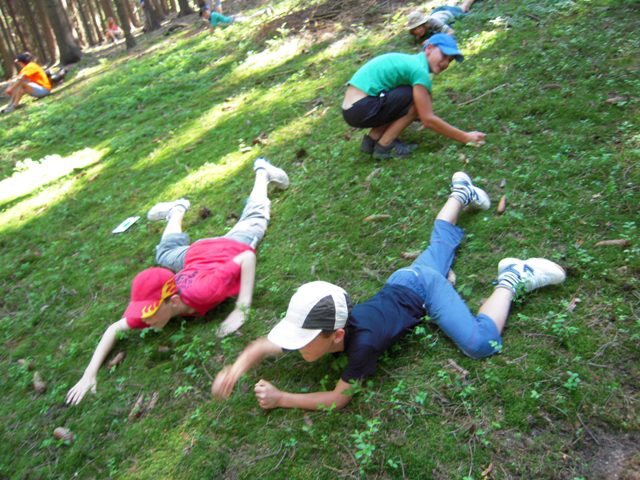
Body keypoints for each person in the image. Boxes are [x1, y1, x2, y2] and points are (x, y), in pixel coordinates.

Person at [212, 172, 566, 411]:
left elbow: (338, 398)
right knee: (439, 246)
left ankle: (513, 277)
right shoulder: (322, 328)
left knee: (479, 343)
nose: (296, 346)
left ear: (337, 336)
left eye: (303, 339)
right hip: (403, 280)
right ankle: (461, 193)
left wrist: (282, 398)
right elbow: (261, 345)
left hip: (422, 291)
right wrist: (234, 369)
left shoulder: (362, 346)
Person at [65, 158, 289, 405]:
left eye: (149, 312)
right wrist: (88, 374)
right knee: (164, 254)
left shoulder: (204, 292)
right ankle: (176, 210)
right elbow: (114, 328)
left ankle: (262, 172)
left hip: (230, 247)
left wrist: (241, 308)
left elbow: (247, 258)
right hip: (195, 255)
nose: (146, 321)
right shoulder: (157, 308)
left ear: (172, 301)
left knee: (255, 217)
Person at [341, 34, 486, 160]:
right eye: (443, 56)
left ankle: (372, 140)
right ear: (429, 48)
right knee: (414, 100)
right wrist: (465, 137)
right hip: (361, 108)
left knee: (410, 95)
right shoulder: (419, 71)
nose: (445, 63)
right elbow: (428, 119)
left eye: (450, 60)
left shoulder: (411, 63)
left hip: (353, 108)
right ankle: (385, 145)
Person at [406, 0, 479, 44]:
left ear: (424, 24)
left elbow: (451, 32)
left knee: (463, 8)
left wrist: (433, 40)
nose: (418, 31)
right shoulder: (417, 33)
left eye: (419, 27)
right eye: (415, 29)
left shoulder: (434, 23)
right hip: (436, 12)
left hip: (448, 12)